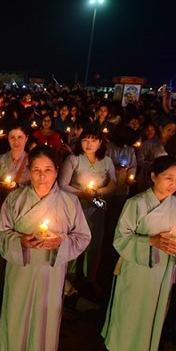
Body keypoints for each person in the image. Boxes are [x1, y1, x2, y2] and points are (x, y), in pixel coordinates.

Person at [0, 145, 91, 351]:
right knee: (16, 312)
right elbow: (1, 234)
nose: (42, 176)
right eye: (36, 170)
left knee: (45, 319)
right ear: (29, 171)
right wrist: (21, 241)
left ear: (57, 171)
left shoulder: (69, 202)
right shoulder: (15, 199)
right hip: (21, 269)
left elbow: (82, 237)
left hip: (51, 271)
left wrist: (61, 241)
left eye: (47, 170)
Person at [101, 156, 176, 351]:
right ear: (154, 177)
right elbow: (121, 238)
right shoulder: (136, 203)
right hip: (137, 267)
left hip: (163, 269)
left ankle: (145, 347)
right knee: (129, 306)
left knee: (155, 309)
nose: (173, 184)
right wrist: (152, 241)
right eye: (168, 178)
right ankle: (118, 345)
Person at [58, 126, 117, 296]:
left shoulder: (106, 161)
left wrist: (99, 193)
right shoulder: (73, 159)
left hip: (97, 206)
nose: (89, 144)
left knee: (95, 242)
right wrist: (82, 194)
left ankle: (90, 277)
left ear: (100, 143)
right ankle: (68, 277)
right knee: (73, 240)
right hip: (75, 207)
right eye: (85, 140)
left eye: (93, 140)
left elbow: (113, 183)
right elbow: (62, 185)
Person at [0, 123, 31, 293]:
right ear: (7, 139)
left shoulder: (32, 161)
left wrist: (18, 186)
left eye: (20, 137)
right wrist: (0, 187)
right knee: (0, 246)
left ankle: (18, 288)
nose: (16, 141)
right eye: (12, 137)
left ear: (26, 139)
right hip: (2, 209)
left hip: (24, 212)